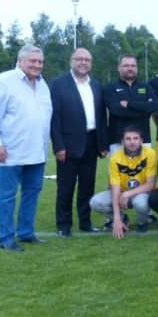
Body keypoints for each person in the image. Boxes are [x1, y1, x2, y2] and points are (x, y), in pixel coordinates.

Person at [0, 45, 52, 251]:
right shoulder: (3, 81)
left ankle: (26, 232)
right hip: (9, 152)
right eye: (33, 61)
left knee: (32, 193)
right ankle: (5, 238)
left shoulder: (43, 85)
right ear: (20, 61)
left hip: (37, 152)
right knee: (7, 197)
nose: (37, 65)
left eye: (40, 62)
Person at [49, 48, 108, 237]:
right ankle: (63, 225)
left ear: (91, 63)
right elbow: (54, 119)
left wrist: (102, 144)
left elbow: (101, 117)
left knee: (87, 186)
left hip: (91, 142)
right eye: (79, 59)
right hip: (68, 144)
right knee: (66, 187)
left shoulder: (96, 85)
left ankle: (85, 223)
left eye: (87, 60)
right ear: (71, 61)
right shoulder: (58, 84)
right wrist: (58, 146)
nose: (83, 62)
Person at [90, 126, 156, 238]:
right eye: (128, 139)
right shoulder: (115, 157)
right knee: (95, 202)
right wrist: (117, 218)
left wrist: (127, 194)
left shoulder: (150, 154)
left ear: (141, 141)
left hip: (140, 193)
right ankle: (122, 219)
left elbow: (150, 185)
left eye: (135, 138)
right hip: (120, 193)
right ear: (122, 142)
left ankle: (142, 222)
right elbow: (114, 189)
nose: (132, 142)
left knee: (141, 203)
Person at [104, 54, 158, 152]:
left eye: (133, 66)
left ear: (136, 68)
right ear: (118, 68)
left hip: (144, 140)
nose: (130, 68)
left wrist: (129, 104)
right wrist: (144, 110)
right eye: (126, 65)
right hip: (118, 142)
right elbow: (117, 111)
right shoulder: (110, 87)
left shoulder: (146, 87)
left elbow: (155, 106)